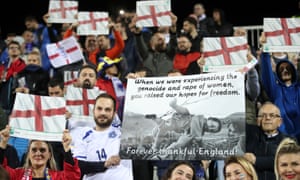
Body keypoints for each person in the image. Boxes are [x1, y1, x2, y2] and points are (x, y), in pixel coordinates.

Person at [71, 93, 133, 179]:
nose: (103, 113)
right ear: (94, 111)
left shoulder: (125, 135)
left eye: (107, 110)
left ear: (114, 113)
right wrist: (104, 164)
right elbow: (78, 167)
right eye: (99, 109)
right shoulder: (83, 136)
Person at [0, 125, 81, 179]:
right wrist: (3, 143)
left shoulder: (57, 177)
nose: (38, 153)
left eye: (42, 150)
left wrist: (66, 148)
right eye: (34, 150)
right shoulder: (17, 175)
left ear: (49, 155)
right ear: (28, 154)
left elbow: (72, 176)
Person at [244, 102, 291, 180]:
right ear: (258, 120)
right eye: (263, 115)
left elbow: (285, 161)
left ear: (280, 122)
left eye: (272, 115)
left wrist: (256, 160)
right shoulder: (250, 134)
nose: (267, 118)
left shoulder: (288, 140)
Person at [260, 51, 300, 142]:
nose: (285, 71)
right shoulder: (276, 90)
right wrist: (265, 52)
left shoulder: (298, 89)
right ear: (278, 74)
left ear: (293, 71)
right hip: (283, 138)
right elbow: (267, 75)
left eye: (287, 68)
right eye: (281, 69)